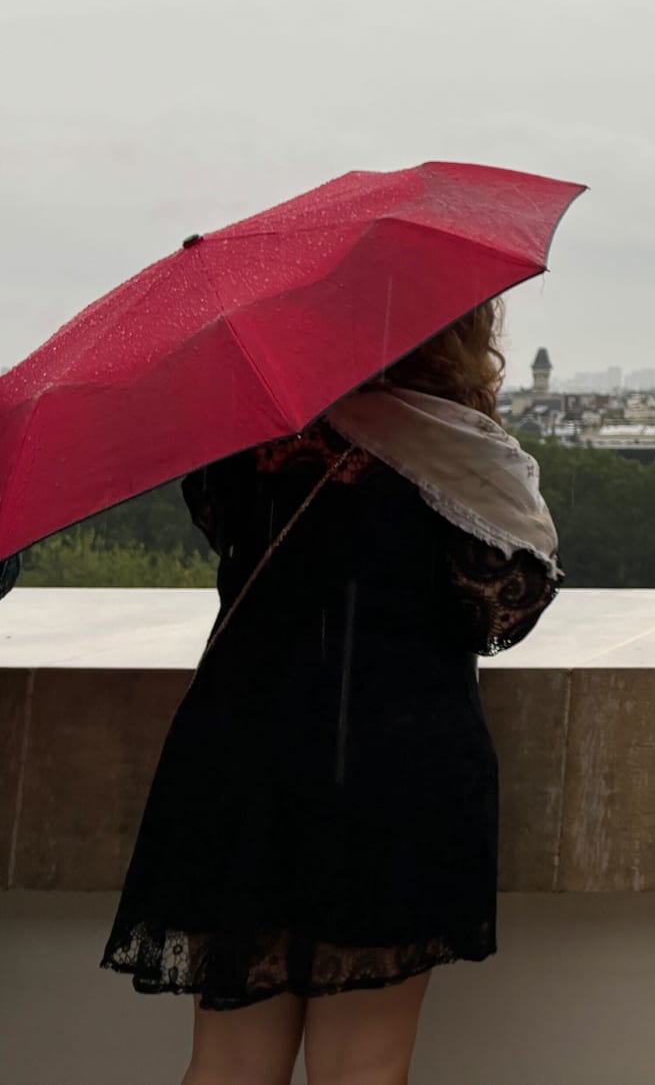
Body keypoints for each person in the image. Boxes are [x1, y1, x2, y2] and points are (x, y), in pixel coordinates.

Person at [105, 302, 561, 1085]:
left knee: (227, 1067)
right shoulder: (458, 450)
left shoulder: (246, 446)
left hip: (240, 759)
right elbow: (502, 611)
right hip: (386, 766)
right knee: (364, 1068)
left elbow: (231, 538)